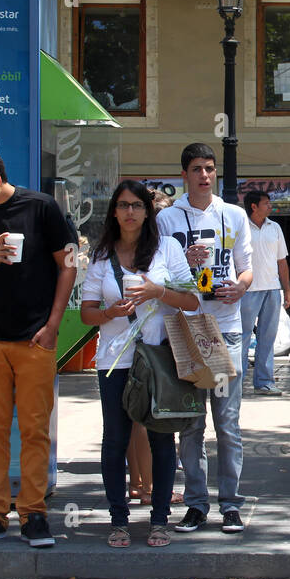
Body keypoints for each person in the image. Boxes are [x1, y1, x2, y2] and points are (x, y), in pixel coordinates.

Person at [0, 145, 76, 548]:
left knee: (35, 429)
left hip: (36, 337)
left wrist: (54, 325)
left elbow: (69, 263)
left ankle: (34, 512)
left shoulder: (42, 208)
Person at [81, 180, 199, 548]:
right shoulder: (102, 257)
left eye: (137, 205)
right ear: (113, 212)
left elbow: (192, 301)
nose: (130, 212)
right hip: (114, 361)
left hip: (158, 357)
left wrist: (157, 291)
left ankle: (159, 520)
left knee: (162, 441)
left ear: (147, 212)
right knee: (114, 440)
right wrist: (109, 313)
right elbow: (86, 313)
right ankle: (118, 519)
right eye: (123, 205)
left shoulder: (167, 248)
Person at [157, 142, 253, 533]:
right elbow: (158, 277)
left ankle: (231, 504)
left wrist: (240, 289)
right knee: (191, 424)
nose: (204, 175)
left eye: (210, 169)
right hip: (185, 328)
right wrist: (185, 261)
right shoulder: (167, 219)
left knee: (227, 423)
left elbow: (248, 270)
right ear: (184, 174)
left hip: (226, 328)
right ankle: (196, 503)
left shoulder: (234, 215)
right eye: (197, 169)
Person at [240, 189, 290, 396]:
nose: (270, 206)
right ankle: (237, 381)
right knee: (241, 338)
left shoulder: (275, 227)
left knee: (267, 338)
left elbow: (282, 261)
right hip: (247, 290)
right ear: (254, 206)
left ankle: (264, 382)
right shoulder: (241, 227)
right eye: (266, 203)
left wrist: (286, 288)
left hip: (271, 288)